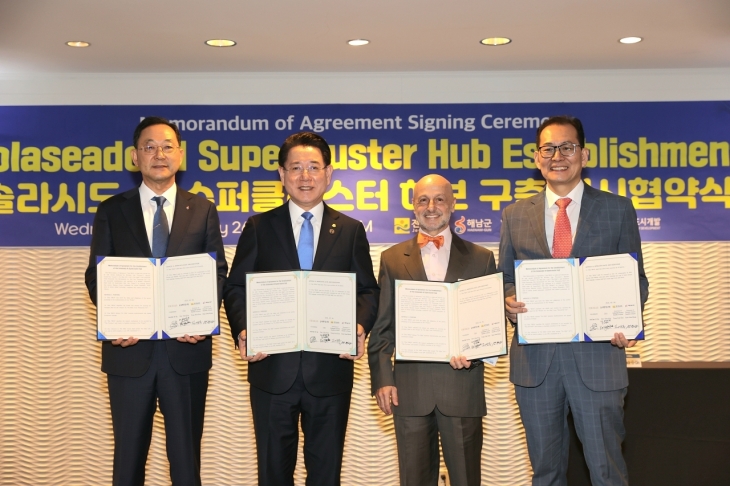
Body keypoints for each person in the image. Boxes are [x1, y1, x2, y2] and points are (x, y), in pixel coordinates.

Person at [498, 115, 649, 486]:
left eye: (567, 147)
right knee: (546, 473)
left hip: (598, 359)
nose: (557, 156)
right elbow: (505, 279)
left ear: (584, 154)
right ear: (537, 158)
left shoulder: (617, 209)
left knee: (606, 470)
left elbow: (636, 280)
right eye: (548, 149)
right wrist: (509, 301)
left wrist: (626, 322)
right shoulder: (515, 215)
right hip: (536, 364)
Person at [223, 131, 379, 486]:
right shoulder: (259, 227)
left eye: (313, 167)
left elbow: (368, 290)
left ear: (328, 173)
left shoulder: (351, 230)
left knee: (326, 475)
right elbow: (235, 287)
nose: (305, 176)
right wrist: (244, 329)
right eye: (295, 168)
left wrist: (359, 327)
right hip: (271, 370)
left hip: (330, 371)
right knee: (272, 474)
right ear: (282, 174)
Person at [84, 116, 228, 486]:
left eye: (167, 146)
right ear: (135, 157)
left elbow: (216, 272)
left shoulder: (203, 209)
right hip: (129, 353)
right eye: (149, 147)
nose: (158, 154)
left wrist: (201, 319)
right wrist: (115, 320)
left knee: (186, 464)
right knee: (128, 462)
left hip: (187, 353)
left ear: (180, 154)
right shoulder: (112, 210)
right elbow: (96, 275)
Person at [368, 174, 497, 486]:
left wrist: (477, 353)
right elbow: (382, 327)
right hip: (409, 390)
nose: (431, 207)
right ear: (413, 206)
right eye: (423, 200)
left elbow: (489, 325)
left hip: (461, 388)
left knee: (466, 479)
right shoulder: (391, 258)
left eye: (439, 199)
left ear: (452, 204)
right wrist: (383, 379)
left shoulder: (481, 258)